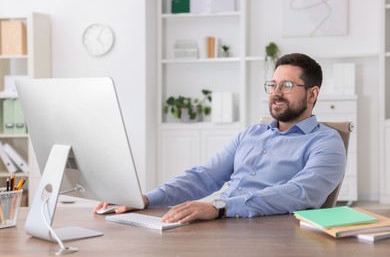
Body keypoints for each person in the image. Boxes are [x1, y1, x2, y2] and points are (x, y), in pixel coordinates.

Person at [94, 53, 346, 224]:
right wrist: (145, 199)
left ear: (313, 94)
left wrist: (221, 207)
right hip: (223, 221)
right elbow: (205, 176)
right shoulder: (252, 133)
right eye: (273, 85)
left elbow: (301, 194)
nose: (276, 93)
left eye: (287, 86)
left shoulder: (327, 142)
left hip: (271, 232)